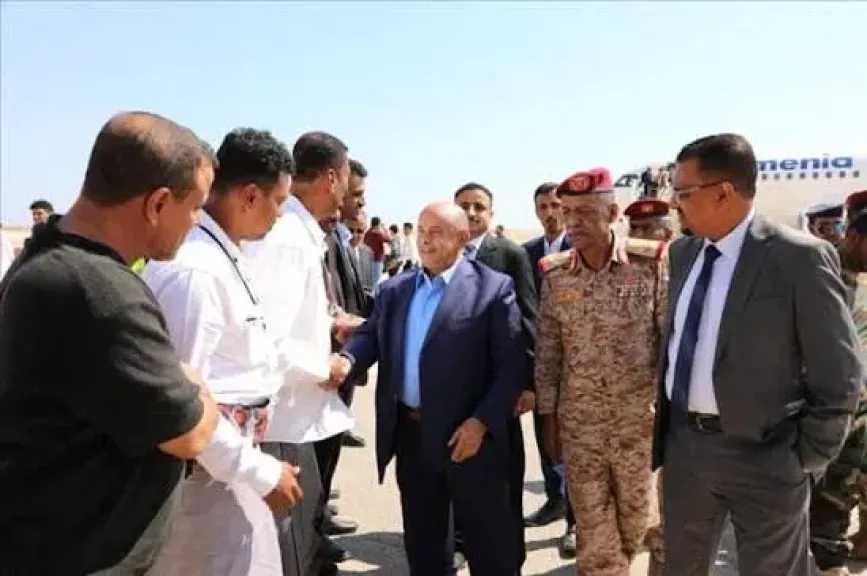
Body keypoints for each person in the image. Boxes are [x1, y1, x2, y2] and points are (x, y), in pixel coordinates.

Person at [0, 111, 220, 574]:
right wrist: (198, 386)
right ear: (158, 203)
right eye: (195, 206)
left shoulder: (47, 254)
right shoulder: (102, 292)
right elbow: (189, 434)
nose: (197, 221)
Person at [655, 133, 861, 576]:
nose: (674, 203)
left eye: (683, 192)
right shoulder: (683, 253)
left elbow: (839, 371)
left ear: (723, 192)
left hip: (768, 455)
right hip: (686, 450)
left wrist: (804, 458)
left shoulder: (798, 257)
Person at [144, 128, 302, 575]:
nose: (280, 215)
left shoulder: (222, 256)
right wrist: (259, 473)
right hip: (205, 481)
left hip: (232, 467)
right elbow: (179, 405)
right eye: (278, 201)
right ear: (250, 196)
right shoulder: (195, 272)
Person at [341, 202, 526, 576]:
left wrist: (481, 423)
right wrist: (346, 360)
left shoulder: (492, 289)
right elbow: (370, 335)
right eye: (422, 231)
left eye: (436, 232)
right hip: (413, 436)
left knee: (491, 549)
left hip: (469, 440)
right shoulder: (396, 290)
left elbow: (511, 368)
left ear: (462, 237)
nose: (425, 240)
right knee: (424, 547)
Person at [536, 168, 668, 576]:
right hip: (581, 429)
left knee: (637, 525)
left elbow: (669, 343)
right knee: (595, 533)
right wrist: (548, 420)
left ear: (612, 214)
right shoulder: (556, 274)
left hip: (638, 428)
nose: (572, 222)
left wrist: (668, 416)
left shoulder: (649, 263)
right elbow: (549, 353)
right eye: (567, 212)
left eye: (585, 212)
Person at [245, 131, 357, 576]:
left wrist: (329, 323)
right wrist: (323, 366)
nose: (347, 188)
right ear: (331, 178)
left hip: (292, 415)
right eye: (345, 177)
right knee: (288, 548)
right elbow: (265, 332)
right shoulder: (288, 236)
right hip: (284, 417)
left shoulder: (297, 231)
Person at [454, 181, 537, 569]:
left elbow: (529, 319)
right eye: (463, 206)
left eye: (478, 207)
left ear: (491, 213)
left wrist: (528, 384)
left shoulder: (509, 254)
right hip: (455, 392)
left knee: (503, 489)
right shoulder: (444, 253)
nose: (471, 213)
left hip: (499, 391)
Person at [808, 191, 867, 576]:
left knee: (840, 491)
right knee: (821, 493)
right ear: (856, 236)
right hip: (824, 409)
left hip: (860, 410)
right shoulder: (821, 273)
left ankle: (832, 561)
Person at [522, 181, 575, 557]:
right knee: (546, 437)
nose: (550, 212)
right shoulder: (526, 253)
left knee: (573, 443)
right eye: (543, 206)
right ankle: (554, 500)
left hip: (575, 364)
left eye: (556, 205)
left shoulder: (581, 248)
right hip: (539, 362)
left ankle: (576, 520)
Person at [346, 213, 376, 296]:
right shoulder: (337, 251)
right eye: (351, 231)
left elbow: (368, 284)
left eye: (359, 231)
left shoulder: (368, 252)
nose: (354, 235)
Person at [364, 216, 390, 282]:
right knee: (377, 281)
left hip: (368, 259)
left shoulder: (367, 233)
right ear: (378, 224)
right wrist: (384, 229)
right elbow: (388, 239)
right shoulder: (379, 233)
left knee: (370, 280)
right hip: (377, 259)